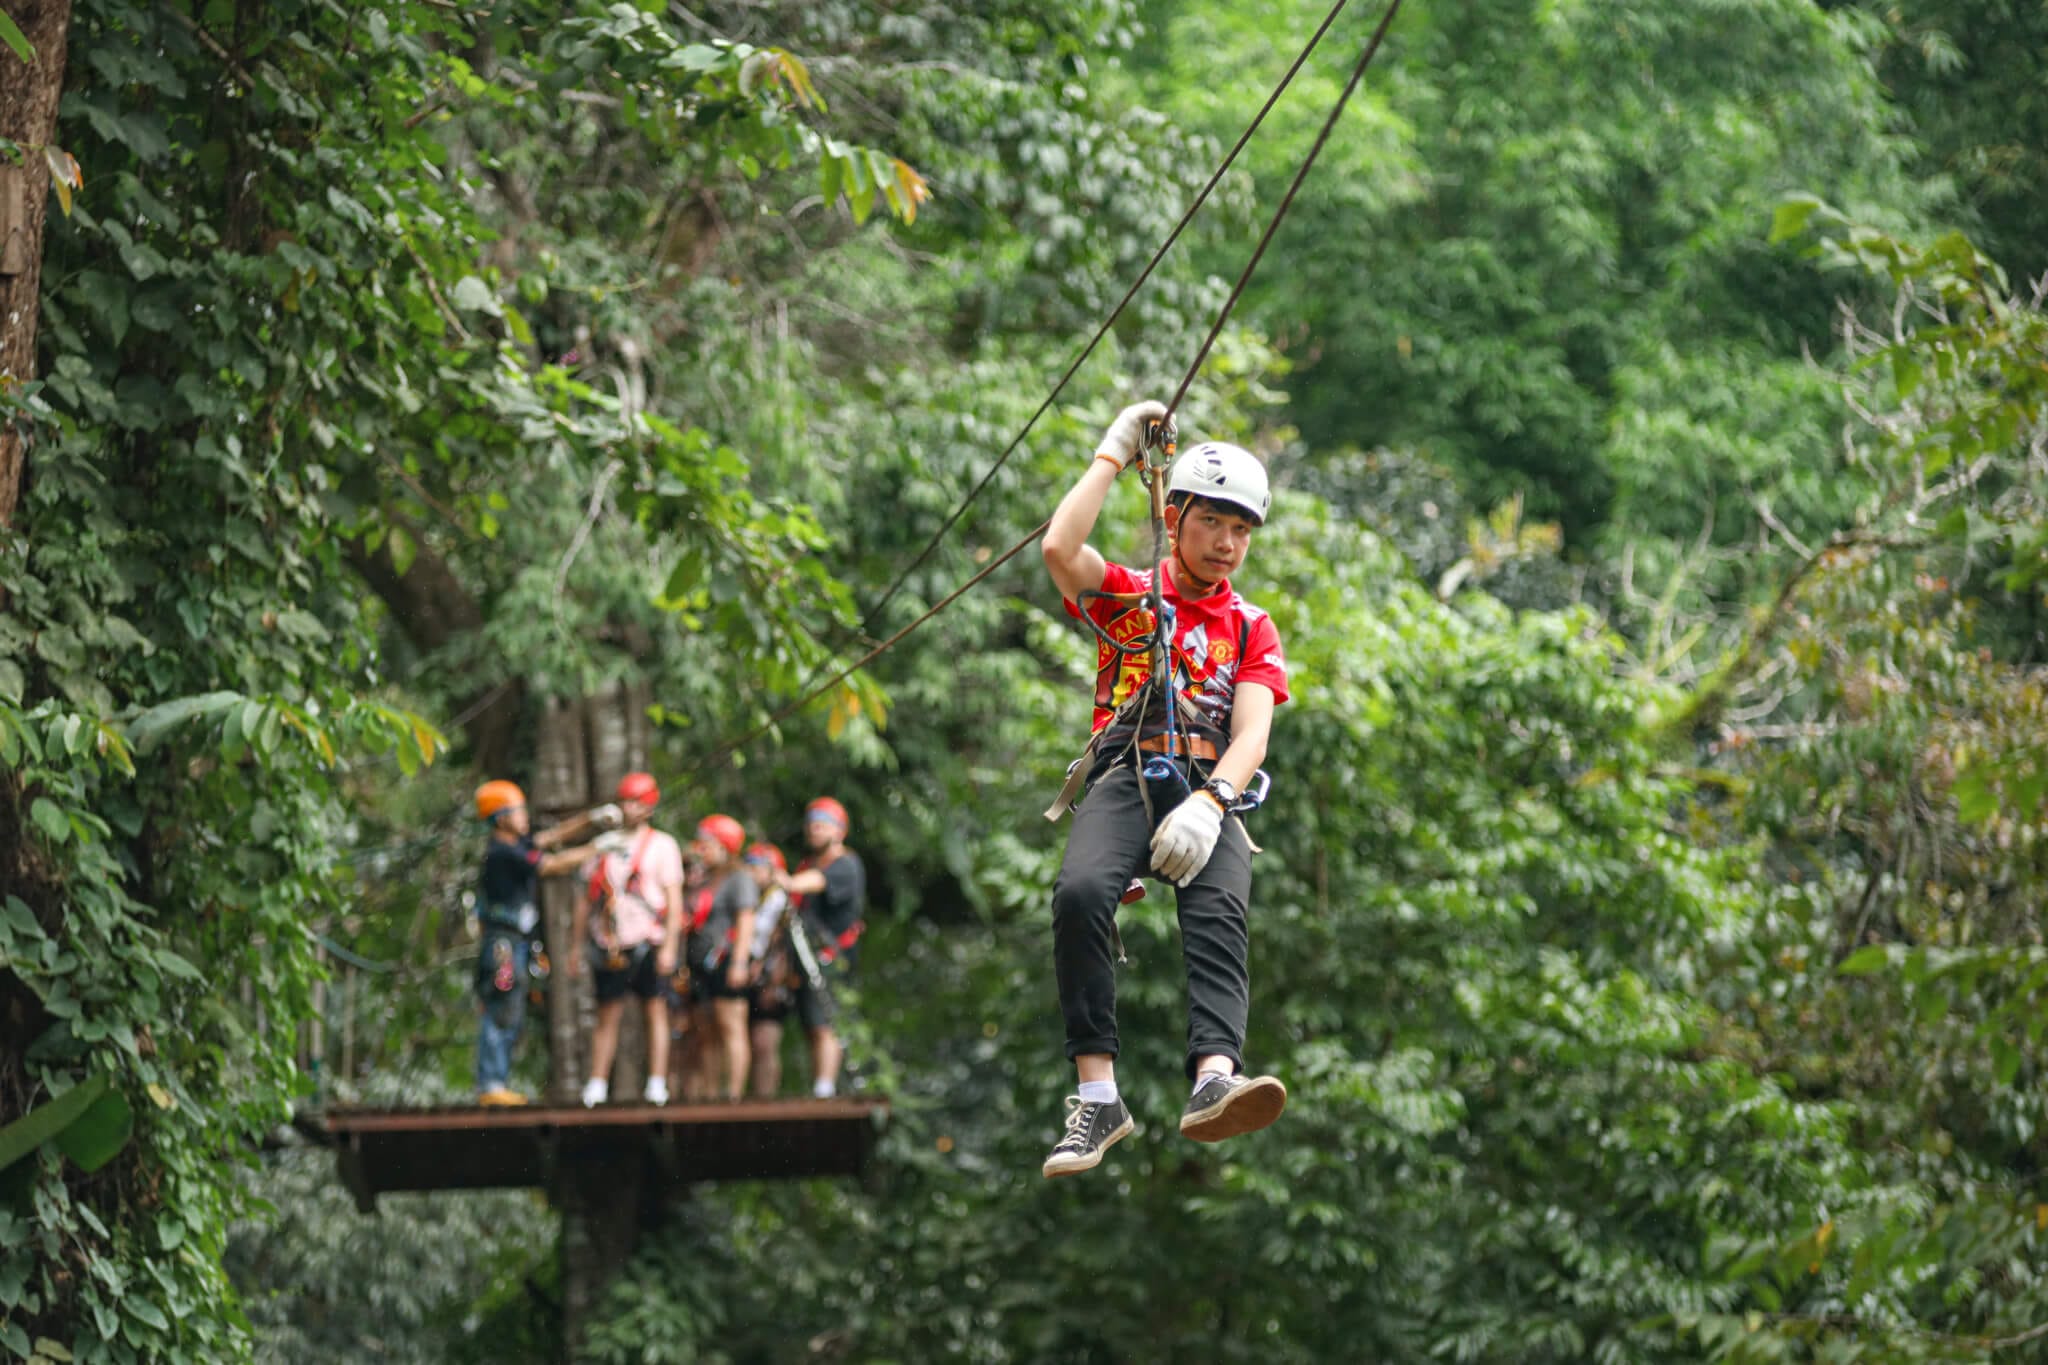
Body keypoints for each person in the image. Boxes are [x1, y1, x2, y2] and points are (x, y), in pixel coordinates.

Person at [1036, 400, 1292, 1178]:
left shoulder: (1250, 626)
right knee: (1081, 893)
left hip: (1210, 781)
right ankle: (1098, 1096)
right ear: (1173, 518)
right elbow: (1059, 548)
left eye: (1241, 529)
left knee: (1220, 910)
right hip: (1125, 768)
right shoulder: (1131, 596)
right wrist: (1113, 454)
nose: (1227, 542)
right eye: (1212, 521)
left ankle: (1215, 1075)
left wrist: (1212, 804)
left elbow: (1252, 733)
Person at [470, 780, 613, 1105]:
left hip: (514, 942)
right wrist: (598, 848)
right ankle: (491, 1083)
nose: (524, 817)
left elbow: (552, 837)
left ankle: (495, 1082)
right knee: (502, 1005)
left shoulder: (515, 845)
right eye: (518, 811)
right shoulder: (503, 853)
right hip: (503, 944)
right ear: (501, 818)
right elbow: (551, 864)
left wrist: (591, 820)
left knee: (511, 1006)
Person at [570, 772, 686, 1107]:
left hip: (649, 939)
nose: (628, 808)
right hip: (611, 941)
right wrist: (575, 946)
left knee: (655, 1010)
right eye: (624, 801)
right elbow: (585, 900)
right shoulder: (604, 844)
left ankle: (657, 1083)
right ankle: (597, 1084)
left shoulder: (663, 845)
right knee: (608, 1012)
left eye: (635, 802)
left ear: (649, 806)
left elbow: (674, 901)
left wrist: (669, 947)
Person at [776, 797, 866, 1099]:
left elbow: (817, 882)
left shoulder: (846, 864)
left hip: (832, 957)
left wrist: (787, 881)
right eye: (812, 825)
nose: (815, 830)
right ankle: (820, 1085)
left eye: (822, 825)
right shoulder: (808, 864)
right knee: (810, 1023)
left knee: (827, 1021)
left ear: (839, 831)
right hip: (806, 957)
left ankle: (825, 1087)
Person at [682, 814, 758, 1101]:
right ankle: (711, 1094)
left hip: (726, 959)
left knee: (730, 1025)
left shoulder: (740, 879)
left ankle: (734, 1094)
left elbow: (746, 920)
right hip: (699, 962)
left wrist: (739, 963)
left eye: (707, 845)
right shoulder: (703, 880)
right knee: (705, 1030)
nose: (701, 851)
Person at [738, 842, 796, 1097]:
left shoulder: (781, 902)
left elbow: (784, 944)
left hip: (770, 976)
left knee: (764, 1042)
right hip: (745, 973)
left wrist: (775, 981)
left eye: (757, 867)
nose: (752, 873)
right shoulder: (745, 897)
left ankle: (765, 1098)